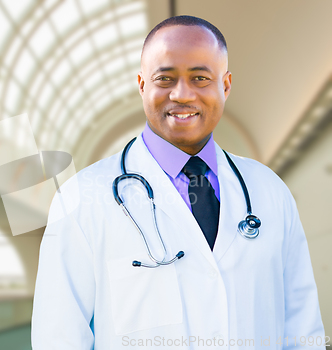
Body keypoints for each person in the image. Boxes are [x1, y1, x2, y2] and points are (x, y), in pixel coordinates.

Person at [31, 15, 325, 349]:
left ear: (225, 85)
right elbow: (59, 337)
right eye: (165, 78)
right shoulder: (81, 199)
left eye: (200, 78)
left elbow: (302, 329)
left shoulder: (270, 193)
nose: (182, 94)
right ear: (142, 85)